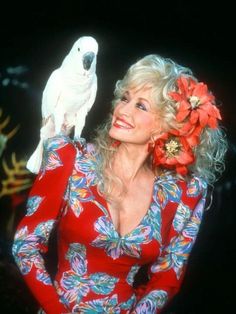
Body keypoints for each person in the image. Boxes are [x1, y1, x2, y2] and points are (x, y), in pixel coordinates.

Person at [12, 54, 227, 314]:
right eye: (125, 98)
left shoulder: (185, 193)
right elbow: (26, 246)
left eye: (141, 106)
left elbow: (169, 274)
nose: (122, 110)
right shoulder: (69, 159)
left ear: (165, 127)